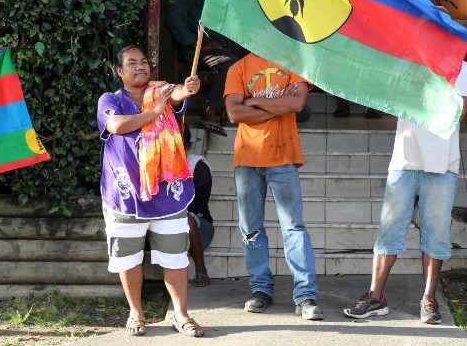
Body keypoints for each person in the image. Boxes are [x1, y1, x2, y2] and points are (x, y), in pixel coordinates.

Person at [342, 28, 467, 325]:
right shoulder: (406, 63)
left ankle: (428, 299)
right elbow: (391, 96)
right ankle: (375, 297)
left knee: (436, 235)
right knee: (388, 231)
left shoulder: (461, 68)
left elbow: (460, 111)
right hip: (404, 161)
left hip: (442, 165)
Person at [97, 45, 205, 337]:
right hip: (125, 196)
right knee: (128, 258)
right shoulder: (110, 99)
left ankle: (181, 315)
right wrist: (154, 113)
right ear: (120, 71)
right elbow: (116, 125)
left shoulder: (161, 91)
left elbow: (177, 93)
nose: (140, 66)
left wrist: (188, 89)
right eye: (132, 62)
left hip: (168, 194)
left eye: (143, 61)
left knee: (175, 257)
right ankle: (136, 312)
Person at [223, 53, 323, 320]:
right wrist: (279, 105)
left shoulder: (293, 62)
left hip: (283, 156)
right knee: (250, 228)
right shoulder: (238, 67)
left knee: (293, 227)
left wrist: (253, 101)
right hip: (247, 158)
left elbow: (297, 103)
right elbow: (234, 113)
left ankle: (305, 295)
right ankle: (260, 290)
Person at [165, 0, 242, 136]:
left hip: (221, 44)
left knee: (255, 55)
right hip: (197, 49)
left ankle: (262, 102)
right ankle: (210, 112)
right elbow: (174, 20)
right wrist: (195, 43)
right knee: (231, 65)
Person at [182, 123, 214, 287]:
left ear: (187, 146)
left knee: (186, 219)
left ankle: (201, 270)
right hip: (163, 224)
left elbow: (197, 205)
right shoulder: (154, 163)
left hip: (199, 226)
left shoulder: (197, 166)